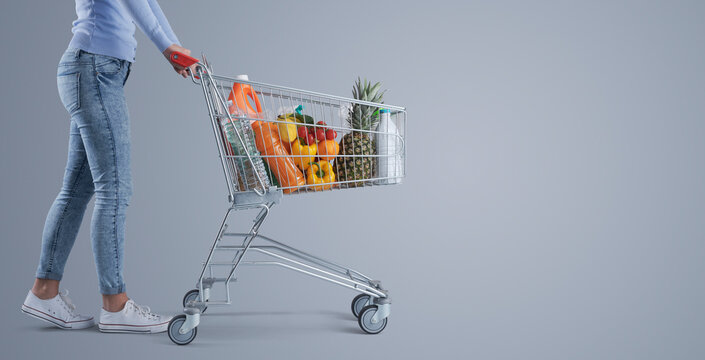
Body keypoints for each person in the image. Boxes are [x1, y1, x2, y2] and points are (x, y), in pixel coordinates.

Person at [20, 0, 196, 333]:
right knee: (114, 188)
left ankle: (44, 291)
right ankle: (115, 305)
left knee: (77, 189)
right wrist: (166, 47)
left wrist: (174, 45)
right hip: (95, 69)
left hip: (92, 69)